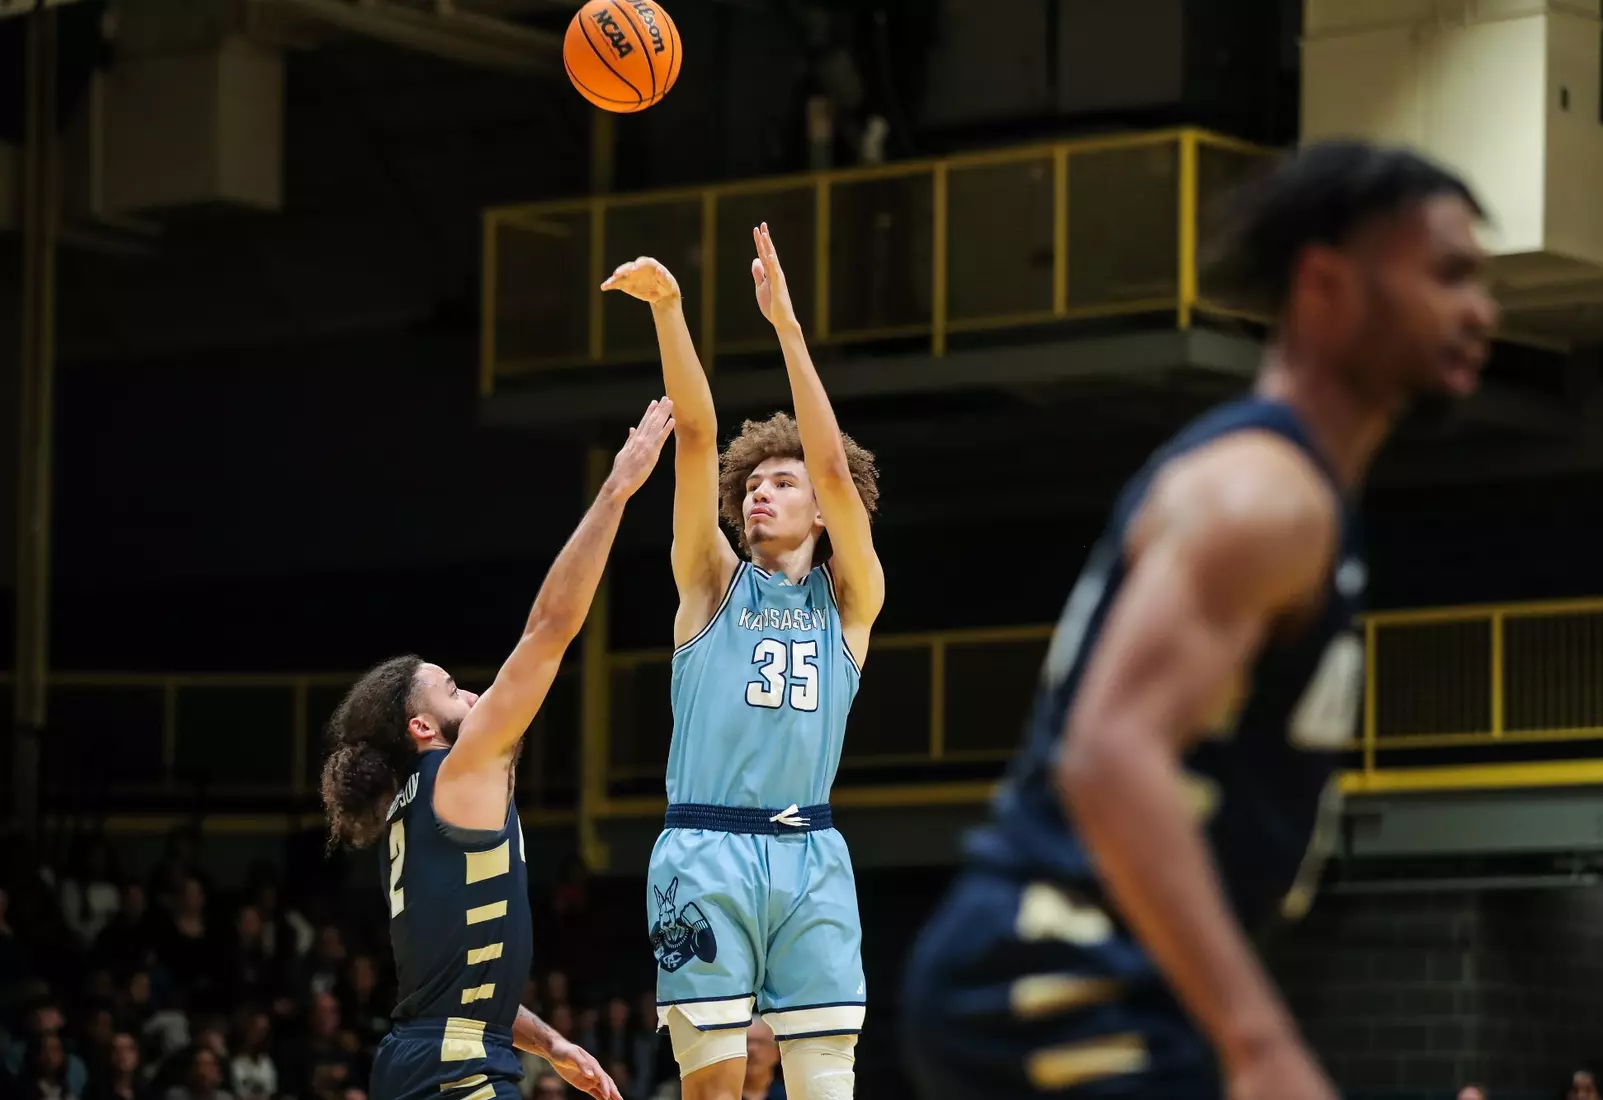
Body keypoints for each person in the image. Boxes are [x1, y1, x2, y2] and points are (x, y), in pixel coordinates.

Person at [901, 139, 1498, 1100]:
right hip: (1060, 976)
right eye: (1448, 274)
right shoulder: (1262, 499)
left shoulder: (1288, 492)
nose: (1481, 311)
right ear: (1324, 283)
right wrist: (1259, 1043)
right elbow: (1110, 753)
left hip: (1106, 986)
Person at [320, 400, 678, 1100]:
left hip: (426, 1057)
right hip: (455, 1073)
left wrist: (552, 1043)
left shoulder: (419, 810)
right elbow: (549, 627)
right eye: (453, 691)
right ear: (423, 729)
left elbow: (456, 994)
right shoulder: (460, 770)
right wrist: (617, 490)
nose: (478, 696)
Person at [602, 224, 882, 1100]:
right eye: (753, 484)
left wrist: (788, 330)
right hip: (705, 849)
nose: (760, 491)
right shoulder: (712, 581)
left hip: (813, 854)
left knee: (826, 1082)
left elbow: (834, 464)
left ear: (825, 514)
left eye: (781, 483)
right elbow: (695, 433)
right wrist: (672, 311)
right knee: (715, 1091)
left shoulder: (851, 602)